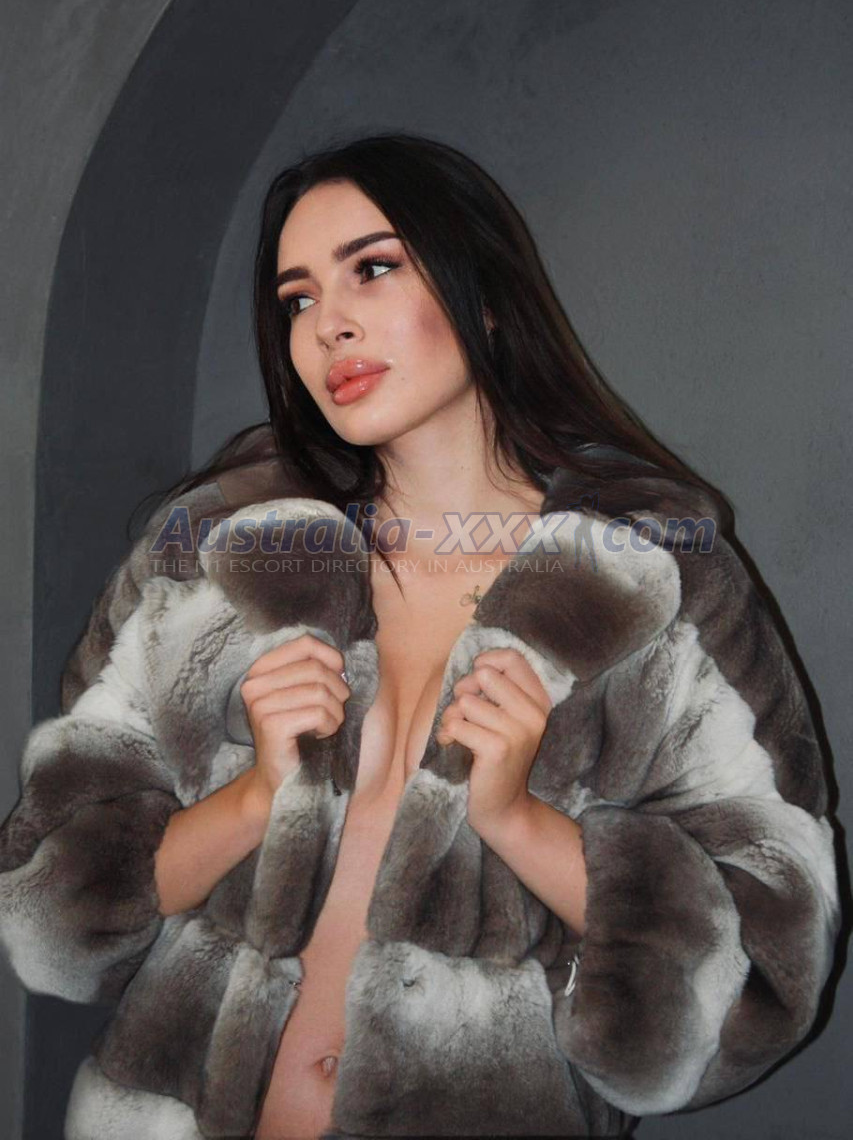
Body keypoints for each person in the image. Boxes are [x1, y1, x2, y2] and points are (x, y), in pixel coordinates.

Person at [0, 132, 840, 1140]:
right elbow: (47, 908)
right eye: (297, 299)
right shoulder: (218, 563)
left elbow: (764, 975)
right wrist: (253, 797)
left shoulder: (647, 586)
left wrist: (517, 820)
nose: (329, 326)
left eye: (372, 268)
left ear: (482, 296)